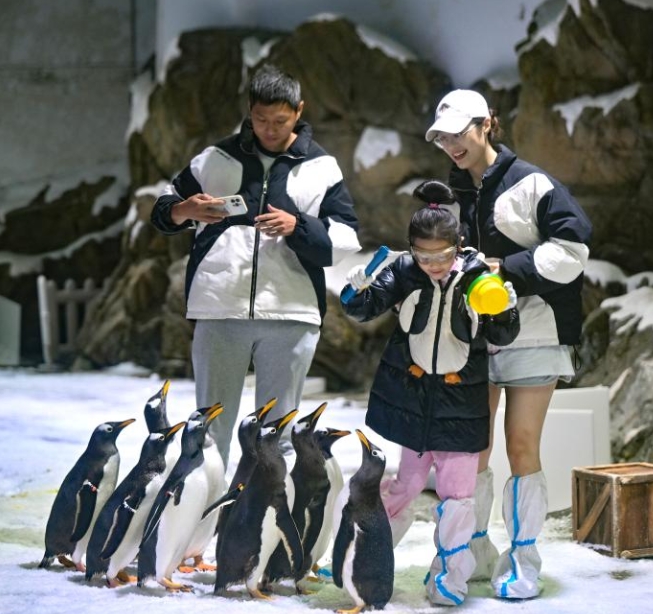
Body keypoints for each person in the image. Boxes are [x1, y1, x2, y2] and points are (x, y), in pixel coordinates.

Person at [425, 89, 592, 599]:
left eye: (460, 132)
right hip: (471, 338)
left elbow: (574, 248)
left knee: (522, 446)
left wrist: (506, 270)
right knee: (469, 451)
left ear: (487, 124)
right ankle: (468, 553)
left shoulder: (531, 183)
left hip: (535, 333)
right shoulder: (447, 196)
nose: (453, 144)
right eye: (443, 136)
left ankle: (523, 563)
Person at [150, 64, 360, 466]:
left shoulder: (320, 166)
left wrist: (297, 226)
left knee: (277, 436)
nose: (270, 128)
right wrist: (185, 209)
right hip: (219, 307)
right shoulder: (216, 158)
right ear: (249, 110)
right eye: (261, 119)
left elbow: (344, 238)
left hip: (291, 313)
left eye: (280, 120)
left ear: (299, 111)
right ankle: (202, 525)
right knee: (208, 432)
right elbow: (162, 210)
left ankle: (266, 527)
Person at [341, 180, 520, 607]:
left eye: (442, 255)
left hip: (461, 406)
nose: (433, 264)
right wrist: (358, 286)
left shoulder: (478, 277)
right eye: (423, 255)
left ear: (458, 245)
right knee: (403, 488)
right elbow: (362, 309)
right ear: (411, 250)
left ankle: (450, 578)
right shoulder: (404, 272)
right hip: (412, 402)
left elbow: (504, 334)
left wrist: (505, 307)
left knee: (458, 496)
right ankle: (362, 559)